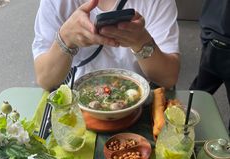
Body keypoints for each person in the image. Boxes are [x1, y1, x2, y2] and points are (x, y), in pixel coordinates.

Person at [32, 0, 180, 92]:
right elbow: (45, 79)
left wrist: (141, 41)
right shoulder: (56, 2)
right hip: (76, 103)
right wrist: (66, 38)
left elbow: (168, 78)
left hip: (139, 101)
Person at [190, 0, 230, 131]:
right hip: (214, 36)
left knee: (195, 98)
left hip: (214, 35)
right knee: (194, 99)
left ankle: (181, 133)